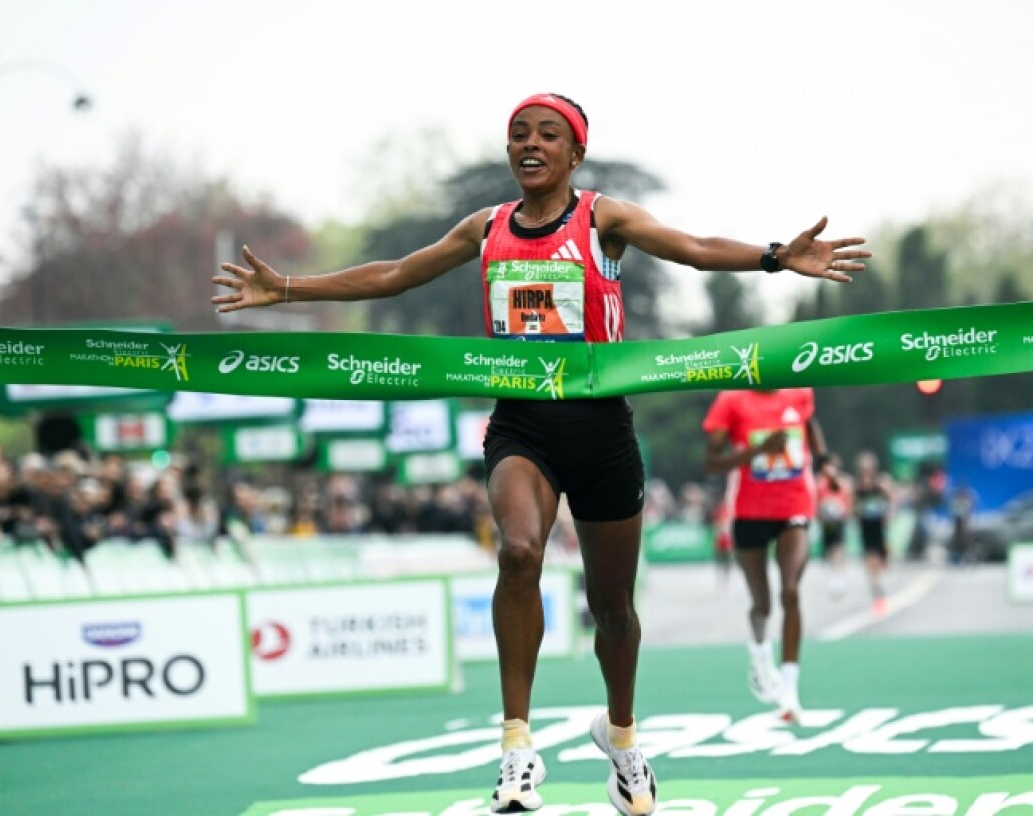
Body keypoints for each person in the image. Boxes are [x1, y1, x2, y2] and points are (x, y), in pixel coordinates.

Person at [213, 92, 868, 815]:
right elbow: (397, 272)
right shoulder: (485, 227)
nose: (530, 144)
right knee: (519, 552)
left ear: (574, 154)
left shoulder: (601, 219)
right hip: (521, 426)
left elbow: (693, 249)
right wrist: (288, 288)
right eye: (518, 134)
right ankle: (517, 750)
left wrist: (777, 257)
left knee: (612, 607)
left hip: (602, 432)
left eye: (548, 135)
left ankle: (620, 737)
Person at [702, 387, 828, 723]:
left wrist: (825, 460)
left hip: (795, 505)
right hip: (749, 511)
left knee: (791, 590)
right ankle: (759, 655)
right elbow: (711, 463)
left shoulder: (799, 393)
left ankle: (790, 692)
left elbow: (811, 425)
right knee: (763, 604)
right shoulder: (732, 400)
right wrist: (756, 451)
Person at [853, 450, 896, 613]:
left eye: (868, 469)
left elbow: (891, 500)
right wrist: (857, 513)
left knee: (883, 562)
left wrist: (889, 514)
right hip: (865, 529)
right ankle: (877, 594)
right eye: (863, 469)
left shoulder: (880, 485)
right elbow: (853, 508)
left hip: (880, 528)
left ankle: (879, 583)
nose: (866, 472)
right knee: (870, 564)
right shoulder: (857, 488)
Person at [815, 453, 853, 597]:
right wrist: (819, 514)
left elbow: (847, 500)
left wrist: (845, 512)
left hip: (839, 520)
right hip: (826, 521)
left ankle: (839, 576)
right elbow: (817, 502)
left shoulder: (843, 483)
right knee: (830, 548)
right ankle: (834, 571)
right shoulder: (819, 484)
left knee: (838, 547)